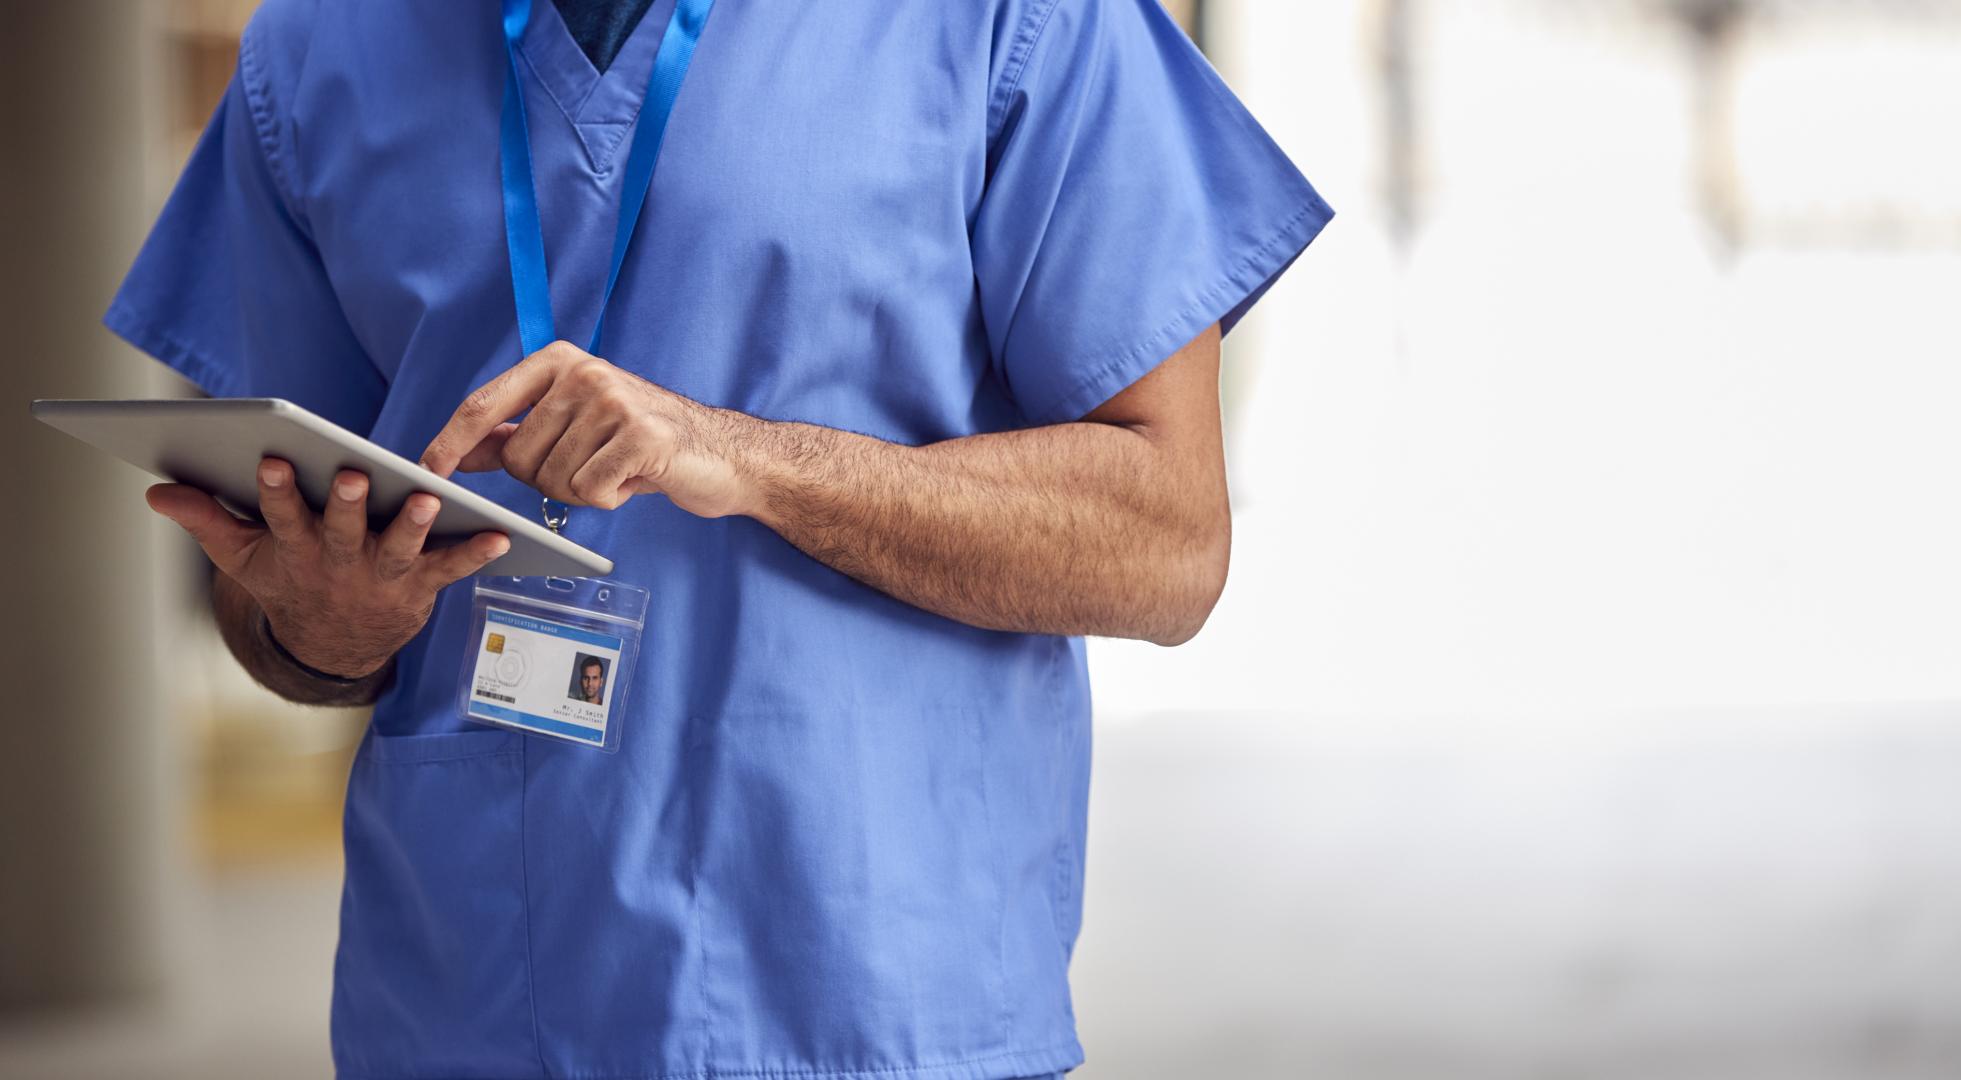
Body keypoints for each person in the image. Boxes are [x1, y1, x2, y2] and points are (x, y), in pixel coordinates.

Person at [118, 0, 1332, 1077]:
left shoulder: (1011, 20)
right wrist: (329, 623)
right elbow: (275, 589)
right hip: (467, 1001)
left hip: (869, 1002)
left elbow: (1167, 540)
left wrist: (749, 460)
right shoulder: (318, 44)